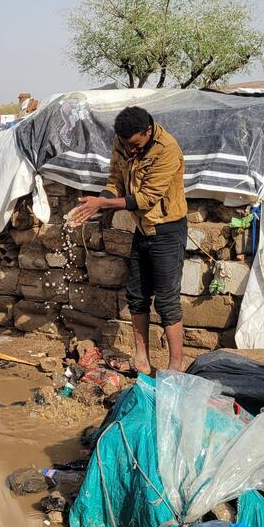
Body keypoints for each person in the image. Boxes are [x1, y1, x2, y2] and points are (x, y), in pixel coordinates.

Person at [69, 106, 187, 374]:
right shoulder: (122, 141)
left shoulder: (167, 149)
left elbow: (146, 199)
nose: (130, 150)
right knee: (136, 296)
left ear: (148, 131)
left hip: (166, 229)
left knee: (167, 301)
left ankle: (175, 367)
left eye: (134, 144)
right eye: (125, 144)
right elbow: (115, 181)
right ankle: (142, 361)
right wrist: (99, 198)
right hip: (143, 230)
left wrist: (104, 203)